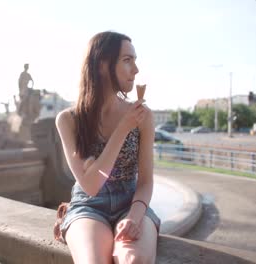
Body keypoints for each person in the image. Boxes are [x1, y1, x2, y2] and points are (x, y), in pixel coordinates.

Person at [54, 31, 161, 264]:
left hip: (131, 203)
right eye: (127, 60)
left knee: (133, 260)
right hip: (89, 206)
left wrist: (134, 217)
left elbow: (145, 181)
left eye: (135, 60)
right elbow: (91, 185)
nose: (136, 69)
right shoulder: (69, 120)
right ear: (103, 65)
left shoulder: (144, 116)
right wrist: (123, 128)